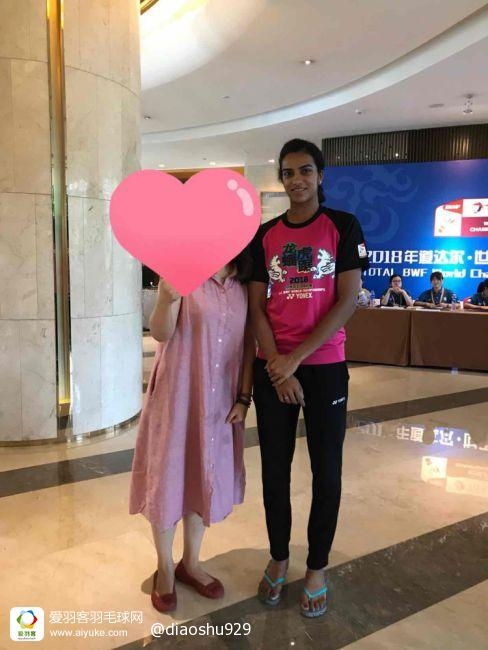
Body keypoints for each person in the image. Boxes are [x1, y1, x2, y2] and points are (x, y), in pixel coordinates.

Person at [249, 138, 369, 618]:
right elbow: (256, 307)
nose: (296, 180)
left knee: (327, 470)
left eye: (304, 171)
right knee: (274, 470)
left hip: (323, 368)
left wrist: (295, 359)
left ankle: (316, 566)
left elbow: (348, 299)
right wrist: (278, 367)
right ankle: (279, 557)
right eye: (288, 173)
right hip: (273, 368)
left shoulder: (343, 225)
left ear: (320, 176)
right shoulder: (264, 235)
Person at [130, 252, 255, 613]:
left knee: (202, 477)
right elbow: (161, 332)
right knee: (168, 480)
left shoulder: (243, 282)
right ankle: (166, 567)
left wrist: (244, 397)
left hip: (219, 403)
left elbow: (249, 344)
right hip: (177, 398)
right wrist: (166, 299)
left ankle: (191, 563)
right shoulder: (184, 269)